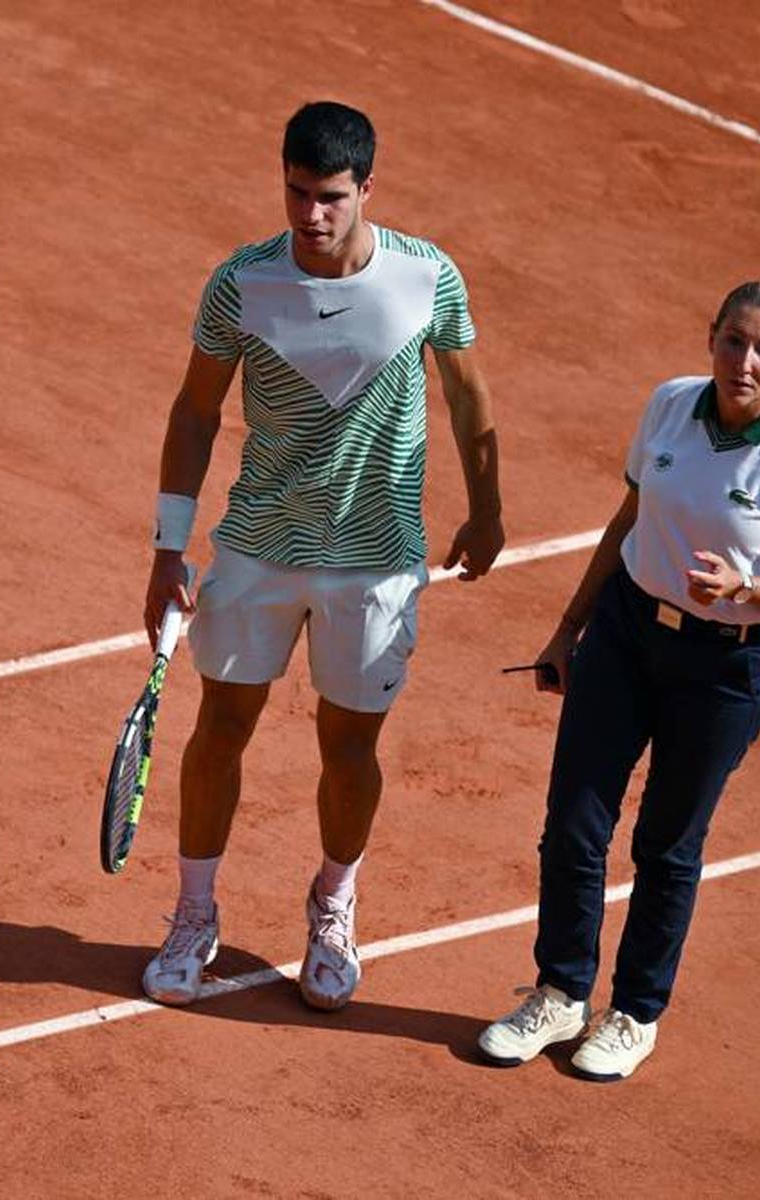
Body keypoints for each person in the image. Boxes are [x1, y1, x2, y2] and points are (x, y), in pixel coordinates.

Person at [141, 101, 503, 1010]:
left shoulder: (428, 278)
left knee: (350, 748)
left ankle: (334, 905)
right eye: (298, 193)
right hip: (259, 548)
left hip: (376, 562)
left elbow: (466, 397)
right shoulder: (241, 283)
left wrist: (488, 506)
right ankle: (193, 914)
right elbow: (195, 411)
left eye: (331, 197)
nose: (312, 215)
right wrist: (166, 545)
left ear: (367, 189)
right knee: (220, 730)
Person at [479, 281, 760, 1080]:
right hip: (625, 634)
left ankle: (634, 1013)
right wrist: (568, 629)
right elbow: (629, 519)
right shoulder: (669, 405)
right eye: (734, 340)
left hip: (723, 666)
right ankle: (560, 992)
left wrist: (749, 588)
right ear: (711, 338)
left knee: (667, 845)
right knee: (574, 823)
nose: (746, 360)